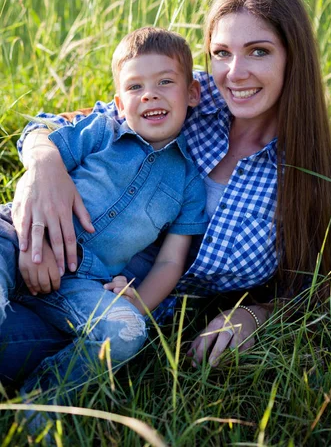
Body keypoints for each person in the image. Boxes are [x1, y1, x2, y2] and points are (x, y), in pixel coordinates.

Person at [1, 0, 331, 384]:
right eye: (221, 53)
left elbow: (310, 286)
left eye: (258, 51)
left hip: (103, 301)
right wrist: (41, 168)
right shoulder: (186, 94)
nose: (235, 73)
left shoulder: (305, 177)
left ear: (294, 57)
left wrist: (253, 314)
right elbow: (62, 126)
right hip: (30, 239)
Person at [0, 27, 208, 391]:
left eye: (164, 82)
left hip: (81, 283)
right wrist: (35, 245)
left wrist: (139, 302)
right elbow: (42, 167)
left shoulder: (190, 182)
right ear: (118, 101)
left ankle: (41, 403)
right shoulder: (100, 131)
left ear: (192, 93)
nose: (149, 95)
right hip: (15, 238)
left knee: (128, 331)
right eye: (135, 87)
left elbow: (170, 262)